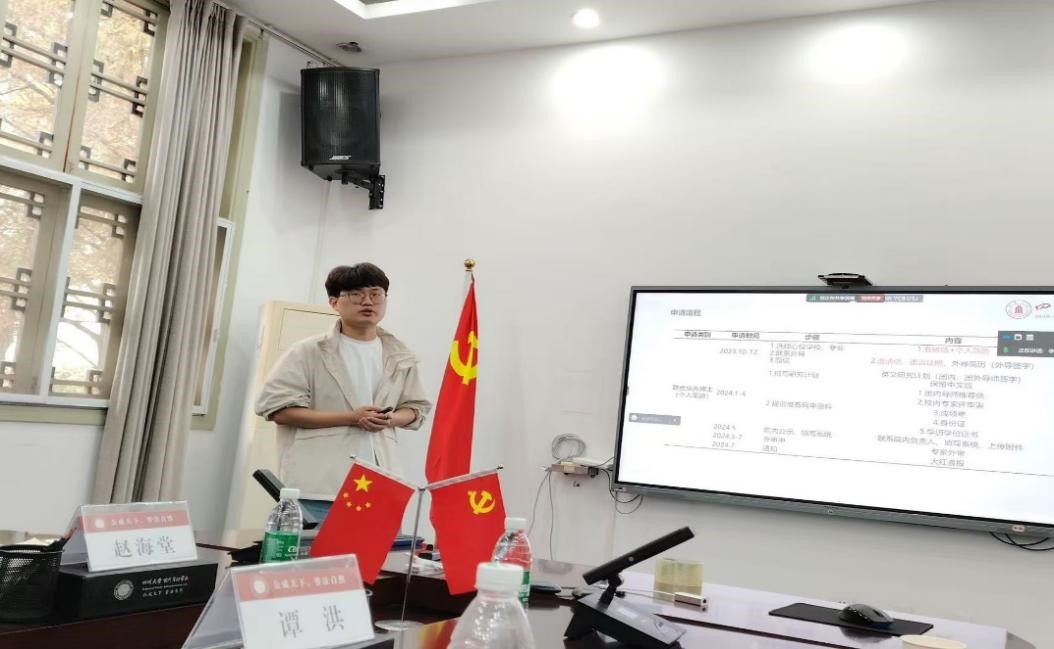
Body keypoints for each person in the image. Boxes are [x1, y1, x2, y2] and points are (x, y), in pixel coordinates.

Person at [255, 263, 432, 496]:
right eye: (356, 294)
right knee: (317, 522)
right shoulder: (307, 352)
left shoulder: (400, 355)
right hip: (320, 482)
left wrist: (388, 419)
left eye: (376, 294)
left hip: (381, 481)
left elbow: (416, 408)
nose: (367, 302)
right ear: (334, 302)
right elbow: (278, 410)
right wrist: (352, 418)